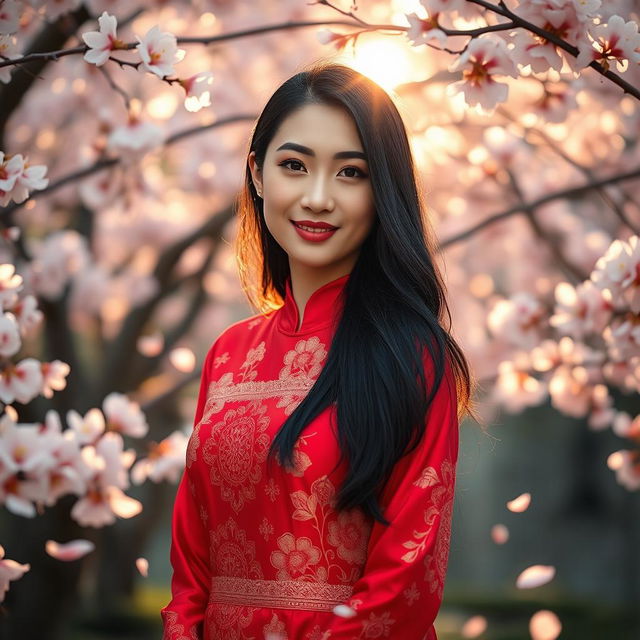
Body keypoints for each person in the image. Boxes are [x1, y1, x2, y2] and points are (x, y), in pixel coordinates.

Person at [161, 60, 475, 640]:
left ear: (383, 192)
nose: (318, 197)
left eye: (351, 174)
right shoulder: (228, 355)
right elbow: (191, 559)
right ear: (257, 174)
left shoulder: (412, 356)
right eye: (294, 166)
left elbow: (405, 581)